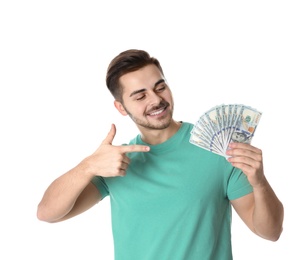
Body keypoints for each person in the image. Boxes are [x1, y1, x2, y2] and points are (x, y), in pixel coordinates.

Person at [37, 49, 284, 260]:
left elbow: (270, 232)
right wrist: (87, 166)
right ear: (121, 107)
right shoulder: (115, 163)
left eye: (160, 87)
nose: (156, 100)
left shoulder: (218, 149)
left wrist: (259, 182)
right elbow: (47, 213)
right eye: (140, 95)